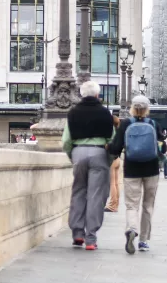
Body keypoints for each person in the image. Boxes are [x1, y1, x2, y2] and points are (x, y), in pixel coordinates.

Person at [62, 81, 115, 251]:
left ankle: (77, 233)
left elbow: (66, 141)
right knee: (96, 196)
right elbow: (112, 141)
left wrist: (73, 156)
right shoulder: (105, 113)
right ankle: (91, 238)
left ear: (81, 94)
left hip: (78, 152)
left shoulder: (73, 113)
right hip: (99, 153)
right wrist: (109, 159)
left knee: (78, 191)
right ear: (98, 95)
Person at [108, 96, 164, 254]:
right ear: (147, 109)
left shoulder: (126, 124)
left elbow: (115, 148)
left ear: (132, 108)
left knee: (132, 204)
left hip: (131, 168)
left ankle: (132, 229)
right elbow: (162, 146)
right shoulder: (153, 124)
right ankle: (144, 240)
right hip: (151, 168)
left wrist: (108, 148)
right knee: (148, 205)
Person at [105, 115, 123, 213]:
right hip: (118, 159)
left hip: (112, 159)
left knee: (112, 183)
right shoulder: (118, 131)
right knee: (116, 183)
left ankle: (112, 205)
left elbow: (108, 144)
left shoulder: (111, 131)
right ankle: (116, 204)